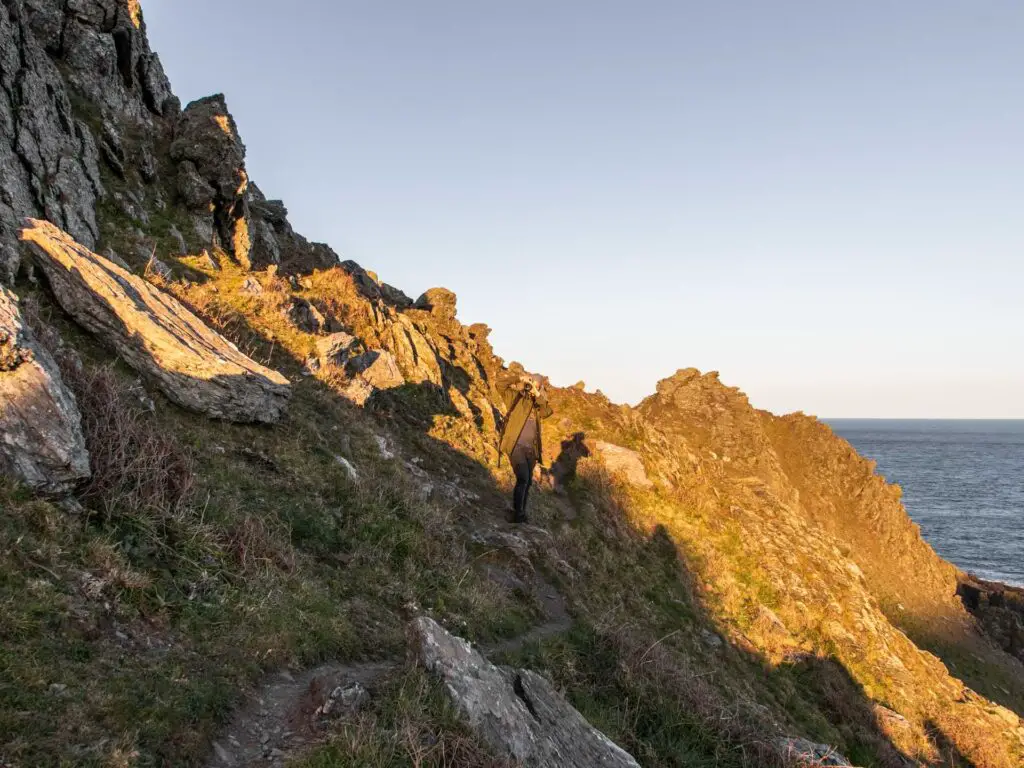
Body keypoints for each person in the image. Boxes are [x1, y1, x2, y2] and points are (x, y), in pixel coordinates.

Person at [498, 374, 553, 523]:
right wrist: (517, 378)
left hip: (531, 450)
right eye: (531, 383)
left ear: (539, 387)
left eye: (536, 384)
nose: (531, 386)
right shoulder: (515, 398)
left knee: (528, 482)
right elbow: (500, 385)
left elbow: (547, 412)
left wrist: (538, 395)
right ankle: (519, 515)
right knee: (523, 478)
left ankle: (520, 512)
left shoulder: (538, 405)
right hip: (515, 446)